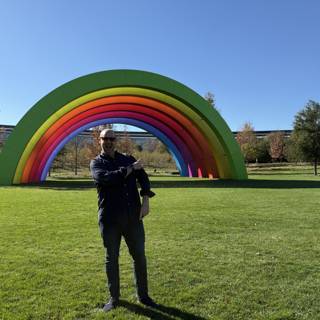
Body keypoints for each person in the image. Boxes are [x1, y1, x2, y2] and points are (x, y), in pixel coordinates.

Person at [90, 128, 157, 312]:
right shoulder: (96, 163)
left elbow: (143, 177)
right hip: (110, 219)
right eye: (105, 138)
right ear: (100, 141)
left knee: (140, 257)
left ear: (115, 140)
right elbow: (107, 179)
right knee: (111, 259)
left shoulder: (128, 158)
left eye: (112, 138)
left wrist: (145, 201)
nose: (109, 141)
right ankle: (114, 299)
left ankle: (143, 296)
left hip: (133, 217)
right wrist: (130, 169)